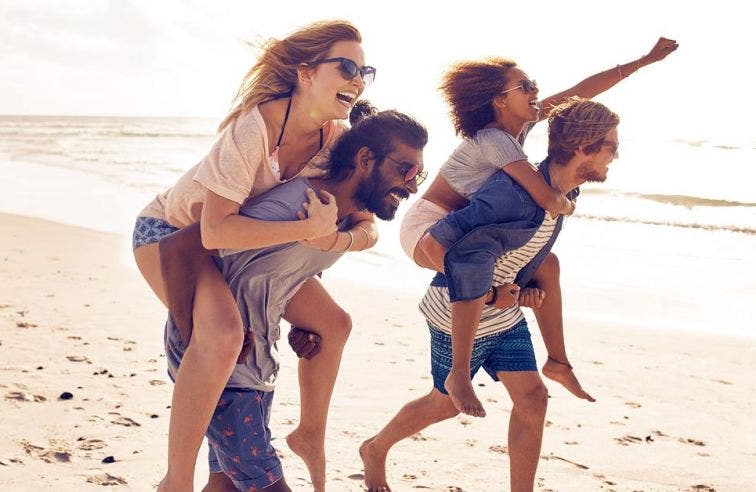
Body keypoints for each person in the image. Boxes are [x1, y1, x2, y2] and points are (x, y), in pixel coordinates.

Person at [132, 20, 380, 490]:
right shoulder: (254, 128)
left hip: (242, 256)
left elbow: (364, 223)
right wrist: (307, 228)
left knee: (333, 324)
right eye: (346, 66)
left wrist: (335, 242)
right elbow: (214, 229)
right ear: (306, 73)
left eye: (365, 72)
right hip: (172, 238)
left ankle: (306, 435)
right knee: (224, 338)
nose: (357, 80)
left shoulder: (337, 143)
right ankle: (176, 479)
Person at [399, 37, 679, 416]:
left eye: (534, 85)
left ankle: (558, 363)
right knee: (478, 275)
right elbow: (546, 198)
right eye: (525, 87)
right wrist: (566, 204)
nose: (536, 91)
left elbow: (578, 93)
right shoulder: (495, 140)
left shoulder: (519, 130)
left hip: (458, 224)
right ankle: (460, 375)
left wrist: (643, 61)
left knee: (546, 267)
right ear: (500, 100)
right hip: (428, 228)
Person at [160, 105, 428, 491]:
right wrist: (194, 342)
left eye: (418, 174)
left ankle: (309, 434)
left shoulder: (341, 216)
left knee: (226, 486)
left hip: (258, 364)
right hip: (225, 363)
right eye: (404, 170)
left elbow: (279, 272)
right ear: (365, 159)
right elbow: (178, 250)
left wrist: (304, 324)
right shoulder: (295, 206)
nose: (412, 185)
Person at [361, 98, 620, 491]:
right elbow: (435, 248)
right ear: (584, 147)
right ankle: (376, 449)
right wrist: (493, 291)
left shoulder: (563, 195)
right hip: (457, 309)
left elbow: (523, 253)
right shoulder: (510, 193)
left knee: (533, 399)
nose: (616, 156)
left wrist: (525, 288)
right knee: (444, 403)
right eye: (611, 147)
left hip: (503, 313)